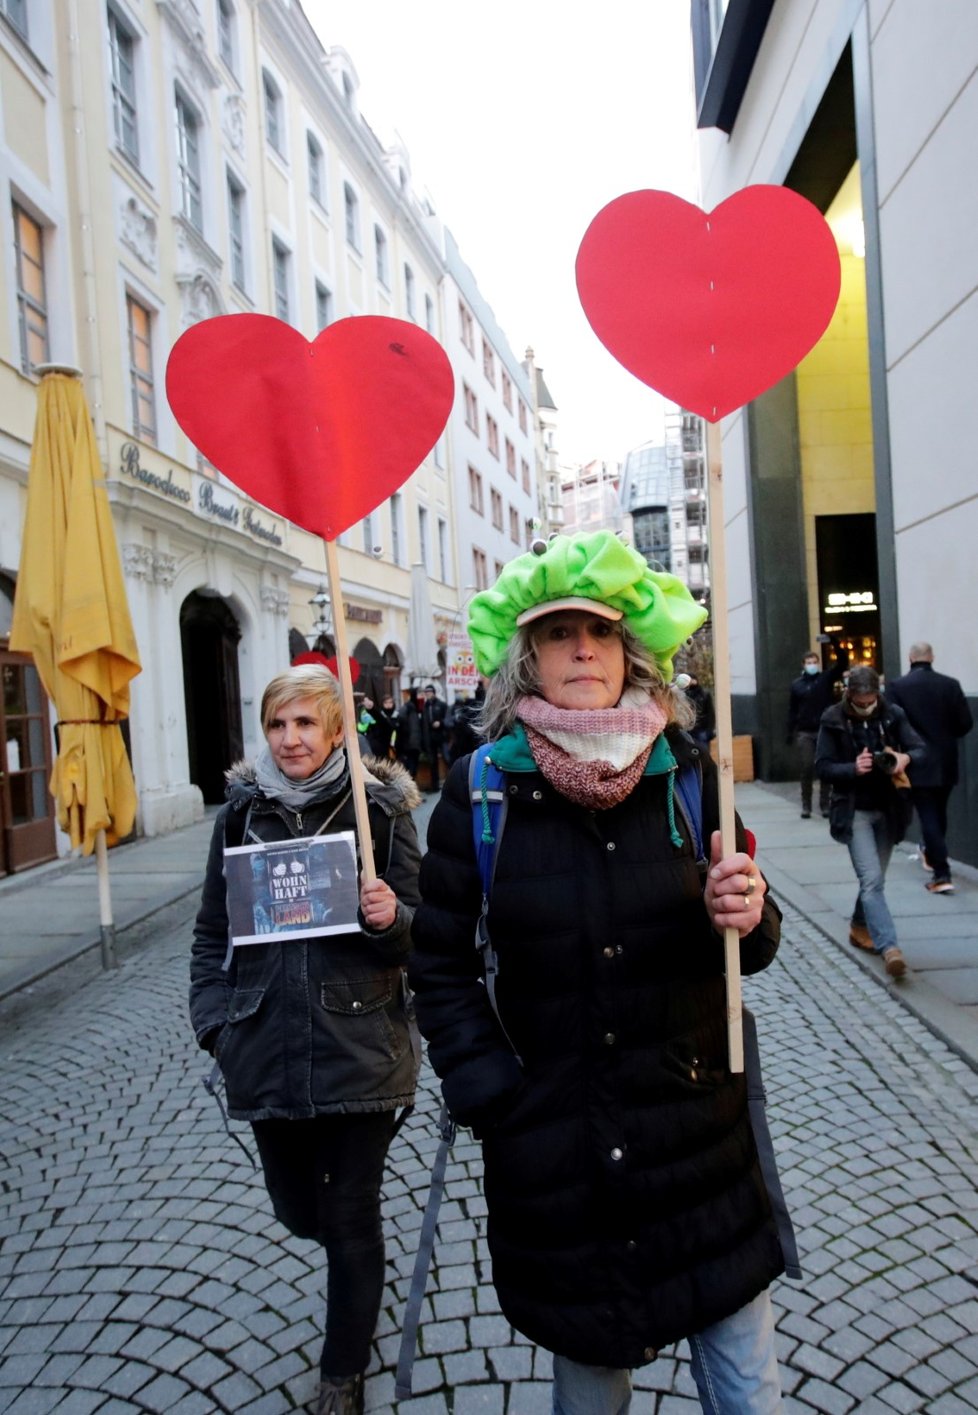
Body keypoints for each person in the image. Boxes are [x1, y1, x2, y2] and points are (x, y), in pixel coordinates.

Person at [410, 531, 791, 1414]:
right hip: (558, 1151)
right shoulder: (481, 791)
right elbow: (440, 959)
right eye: (558, 632)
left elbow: (754, 940)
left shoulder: (691, 776)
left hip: (700, 1142)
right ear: (527, 660)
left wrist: (748, 910)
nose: (583, 647)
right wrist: (488, 1088)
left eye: (602, 631)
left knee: (747, 1389)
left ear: (630, 656)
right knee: (592, 1388)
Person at [189, 665, 422, 1415]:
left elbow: (431, 931)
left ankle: (341, 1370)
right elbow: (210, 932)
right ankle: (357, 1273)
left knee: (351, 1213)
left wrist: (393, 919)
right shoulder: (241, 815)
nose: (290, 739)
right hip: (265, 1046)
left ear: (335, 731)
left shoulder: (377, 811)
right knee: (299, 1209)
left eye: (305, 724)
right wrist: (215, 1026)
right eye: (277, 725)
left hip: (359, 1042)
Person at [815, 663, 925, 977]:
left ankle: (859, 925)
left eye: (870, 701)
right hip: (854, 811)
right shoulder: (833, 718)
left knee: (873, 881)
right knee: (872, 880)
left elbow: (920, 749)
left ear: (877, 694)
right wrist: (853, 768)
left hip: (889, 809)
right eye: (860, 702)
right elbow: (822, 766)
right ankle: (890, 948)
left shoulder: (892, 714)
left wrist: (904, 758)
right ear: (849, 695)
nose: (866, 707)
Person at [885, 642, 974, 894]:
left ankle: (941, 871)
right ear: (931, 657)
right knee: (939, 812)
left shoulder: (898, 686)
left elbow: (890, 723)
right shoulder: (950, 684)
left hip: (915, 759)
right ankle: (933, 856)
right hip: (946, 759)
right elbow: (964, 723)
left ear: (910, 657)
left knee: (928, 815)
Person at [787, 639, 848, 818]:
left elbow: (842, 663)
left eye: (814, 662)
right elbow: (792, 709)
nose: (812, 665)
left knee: (824, 767)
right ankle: (806, 804)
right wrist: (790, 731)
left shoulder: (825, 679)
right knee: (806, 767)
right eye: (809, 662)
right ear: (803, 665)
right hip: (805, 731)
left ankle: (825, 804)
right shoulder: (797, 685)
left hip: (824, 729)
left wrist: (834, 644)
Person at [421, 683, 448, 788]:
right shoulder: (425, 706)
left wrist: (440, 723)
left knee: (446, 758)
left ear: (434, 693)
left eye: (430, 692)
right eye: (426, 692)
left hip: (441, 736)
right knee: (432, 761)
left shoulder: (441, 704)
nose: (428, 694)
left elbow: (447, 719)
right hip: (430, 737)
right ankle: (435, 784)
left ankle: (450, 781)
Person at [393, 688, 423, 779]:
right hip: (411, 744)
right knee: (411, 769)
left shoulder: (411, 708)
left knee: (411, 769)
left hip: (411, 744)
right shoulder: (409, 709)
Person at [685, 672, 716, 749]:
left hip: (701, 730)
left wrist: (709, 731)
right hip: (688, 729)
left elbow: (710, 714)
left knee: (703, 752)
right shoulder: (683, 694)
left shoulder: (704, 694)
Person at [362, 693, 397, 760]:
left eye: (390, 702)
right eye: (386, 703)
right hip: (378, 749)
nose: (388, 705)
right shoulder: (380, 715)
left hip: (392, 749)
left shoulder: (397, 716)